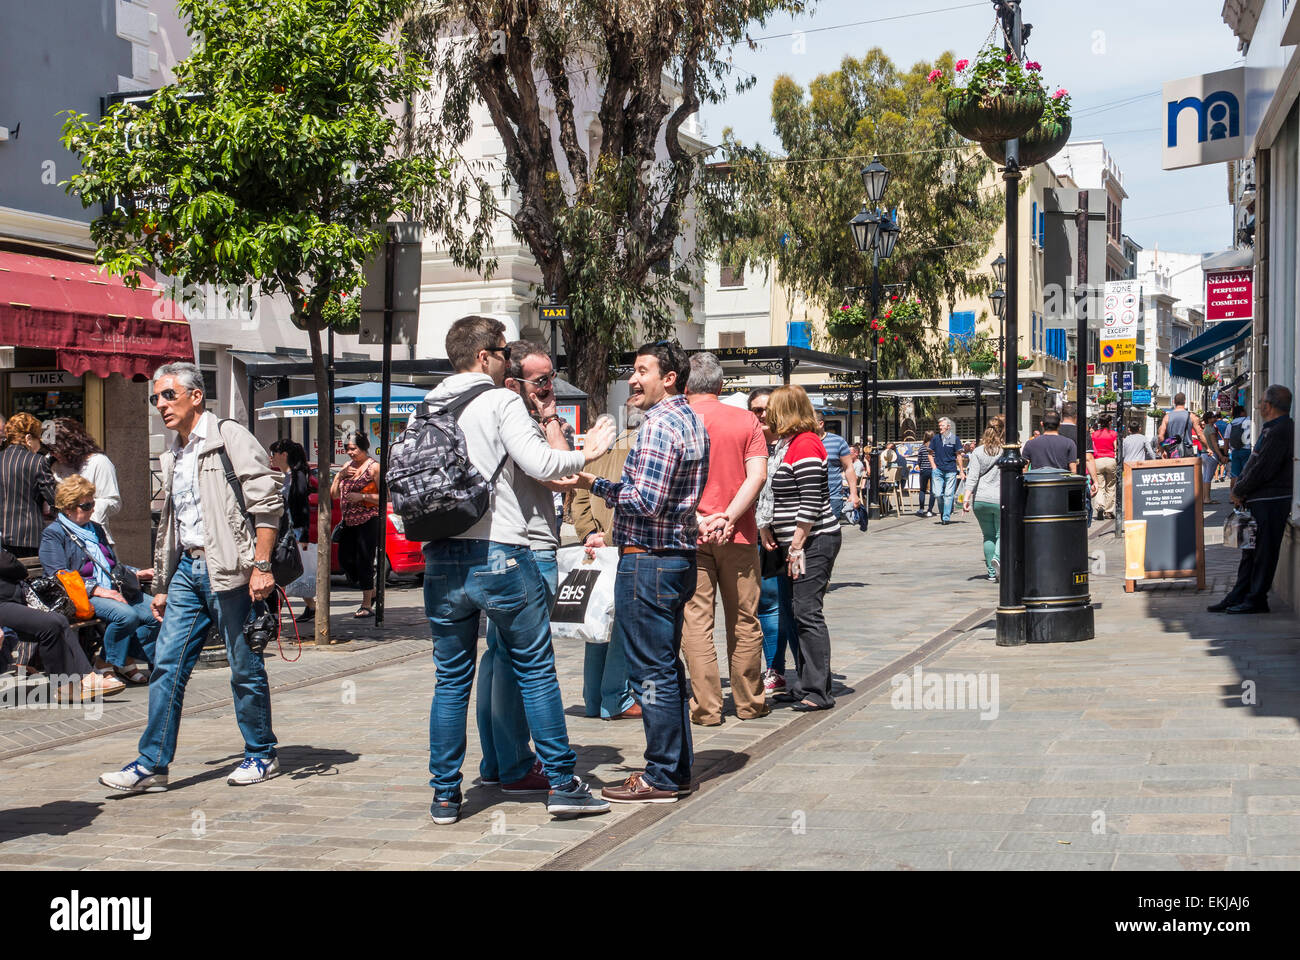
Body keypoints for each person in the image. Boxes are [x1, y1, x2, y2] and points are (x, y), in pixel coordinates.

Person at [422, 316, 616, 824]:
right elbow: (540, 462)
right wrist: (591, 448)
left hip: (442, 556)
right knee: (535, 670)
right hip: (501, 552)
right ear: (484, 357)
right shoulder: (498, 399)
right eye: (504, 353)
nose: (509, 362)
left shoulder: (431, 402)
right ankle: (562, 783)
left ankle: (445, 795)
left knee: (450, 681)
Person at [98, 361, 283, 793]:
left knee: (244, 666)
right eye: (155, 398)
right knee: (166, 666)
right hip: (186, 570)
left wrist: (262, 564)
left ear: (195, 396)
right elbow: (173, 525)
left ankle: (261, 754)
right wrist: (161, 586)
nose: (160, 404)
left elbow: (266, 502)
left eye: (168, 395)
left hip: (231, 570)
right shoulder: (174, 451)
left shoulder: (228, 436)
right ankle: (152, 765)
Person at [571, 339, 709, 804]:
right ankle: (676, 769)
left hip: (648, 559)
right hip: (673, 559)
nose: (633, 378)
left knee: (651, 672)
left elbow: (645, 500)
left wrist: (597, 484)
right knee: (665, 668)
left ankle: (662, 775)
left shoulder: (658, 424)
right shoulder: (690, 420)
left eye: (642, 370)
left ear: (669, 378)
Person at [473, 340, 579, 794]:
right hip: (530, 549)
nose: (548, 386)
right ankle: (515, 763)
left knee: (497, 658)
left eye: (551, 377)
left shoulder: (488, 415)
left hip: (499, 548)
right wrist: (552, 416)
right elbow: (561, 475)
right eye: (540, 380)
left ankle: (498, 760)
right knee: (522, 663)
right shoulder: (516, 420)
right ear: (514, 381)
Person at [681, 353, 768, 726]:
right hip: (740, 533)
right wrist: (729, 516)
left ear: (684, 385)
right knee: (745, 620)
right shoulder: (746, 420)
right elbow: (757, 476)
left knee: (696, 621)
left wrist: (701, 518)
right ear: (720, 386)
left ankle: (706, 708)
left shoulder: (675, 421)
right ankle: (749, 703)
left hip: (690, 532)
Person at [762, 385, 840, 712]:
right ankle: (808, 682)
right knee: (798, 611)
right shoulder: (787, 444)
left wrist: (795, 543)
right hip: (797, 542)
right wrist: (768, 526)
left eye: (771, 409)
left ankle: (818, 690)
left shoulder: (805, 443)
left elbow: (810, 501)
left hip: (813, 540)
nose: (766, 415)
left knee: (807, 612)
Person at [40, 475, 157, 685]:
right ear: (68, 507)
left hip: (113, 588)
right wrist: (99, 591)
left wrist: (136, 573)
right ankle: (103, 665)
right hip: (82, 595)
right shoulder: (54, 534)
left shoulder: (95, 528)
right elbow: (58, 576)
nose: (92, 509)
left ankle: (122, 659)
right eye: (86, 505)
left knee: (157, 612)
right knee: (126, 616)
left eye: (92, 503)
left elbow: (111, 564)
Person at [570, 401, 639, 722]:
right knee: (622, 624)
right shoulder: (637, 446)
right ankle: (616, 698)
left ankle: (593, 698)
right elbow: (633, 500)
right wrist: (607, 536)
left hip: (596, 544)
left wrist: (588, 533)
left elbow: (579, 496)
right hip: (622, 545)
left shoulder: (599, 448)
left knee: (597, 622)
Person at [1208, 385, 1294, 615]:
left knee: (1263, 552)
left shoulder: (1280, 430)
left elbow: (1264, 468)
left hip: (1271, 499)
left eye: (1261, 401)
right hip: (1260, 499)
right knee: (1250, 550)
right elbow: (1255, 463)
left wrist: (1240, 489)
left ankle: (1256, 598)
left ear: (1268, 405)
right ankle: (1239, 594)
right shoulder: (1271, 428)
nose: (1257, 406)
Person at [0, 546, 125, 701]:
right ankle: (80, 681)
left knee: (57, 621)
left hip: (14, 600)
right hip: (4, 604)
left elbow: (14, 567)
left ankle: (67, 687)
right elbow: (11, 564)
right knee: (51, 623)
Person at [750, 387, 798, 697]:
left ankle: (792, 670)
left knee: (790, 606)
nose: (762, 414)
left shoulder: (789, 445)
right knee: (767, 602)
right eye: (756, 410)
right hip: (754, 532)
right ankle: (775, 669)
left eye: (767, 408)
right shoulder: (750, 444)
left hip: (785, 534)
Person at [329, 432, 381, 618]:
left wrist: (362, 496)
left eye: (353, 449)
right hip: (348, 521)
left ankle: (367, 603)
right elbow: (334, 495)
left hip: (368, 519)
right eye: (347, 449)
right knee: (345, 560)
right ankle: (373, 591)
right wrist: (339, 476)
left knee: (364, 561)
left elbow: (386, 496)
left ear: (363, 448)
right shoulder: (346, 467)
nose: (350, 452)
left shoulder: (374, 467)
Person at [49, 418, 121, 541]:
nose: (53, 454)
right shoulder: (54, 465)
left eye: (56, 449)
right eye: (50, 450)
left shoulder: (99, 462)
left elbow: (114, 502)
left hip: (92, 536)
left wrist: (85, 508)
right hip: (62, 536)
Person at [268, 439, 316, 623]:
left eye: (273, 454)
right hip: (286, 530)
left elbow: (301, 506)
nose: (271, 458)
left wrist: (303, 535)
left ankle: (275, 614)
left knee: (283, 570)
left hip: (293, 531)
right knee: (286, 571)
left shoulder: (297, 476)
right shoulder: (286, 476)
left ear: (284, 455)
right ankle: (309, 606)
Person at [0, 412, 58, 557]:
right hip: (28, 536)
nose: (40, 444)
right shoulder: (37, 461)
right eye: (39, 438)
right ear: (28, 438)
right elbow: (55, 498)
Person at [962, 417, 1004, 582]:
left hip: (980, 499)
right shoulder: (1006, 451)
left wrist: (965, 499)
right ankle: (998, 558)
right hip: (1000, 498)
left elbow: (972, 478)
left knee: (988, 536)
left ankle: (991, 573)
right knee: (1002, 534)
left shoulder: (977, 452)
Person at [815, 411, 859, 524]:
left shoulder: (838, 442)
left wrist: (853, 494)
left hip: (832, 497)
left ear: (821, 424)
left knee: (829, 535)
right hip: (809, 497)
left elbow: (849, 468)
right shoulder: (803, 442)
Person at [1058, 402, 1099, 518]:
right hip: (1075, 478)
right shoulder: (1082, 433)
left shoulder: (1054, 431)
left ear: (1062, 415)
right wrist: (1095, 481)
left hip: (1055, 478)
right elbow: (1088, 458)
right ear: (1076, 416)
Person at [928, 417, 965, 524]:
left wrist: (961, 471)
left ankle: (945, 517)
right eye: (939, 425)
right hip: (938, 470)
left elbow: (958, 456)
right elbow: (930, 454)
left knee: (949, 495)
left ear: (948, 427)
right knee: (937, 494)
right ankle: (943, 512)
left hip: (951, 470)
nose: (940, 427)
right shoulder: (935, 438)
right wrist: (934, 466)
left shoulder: (954, 438)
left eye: (942, 425)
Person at [1090, 414, 1119, 520]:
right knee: (1110, 487)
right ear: (1110, 422)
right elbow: (1116, 448)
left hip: (1097, 461)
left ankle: (1100, 506)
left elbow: (1092, 448)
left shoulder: (1094, 434)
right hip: (1110, 460)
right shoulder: (1113, 434)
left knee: (1100, 485)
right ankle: (1109, 511)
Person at [1227, 403, 1253, 497]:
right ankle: (1245, 495)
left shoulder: (1231, 424)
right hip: (1247, 450)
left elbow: (1227, 439)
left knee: (1235, 475)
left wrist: (1225, 454)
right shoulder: (1249, 420)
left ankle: (1233, 496)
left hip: (1235, 451)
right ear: (1242, 412)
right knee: (1247, 473)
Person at [914, 429, 936, 517]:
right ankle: (930, 510)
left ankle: (921, 508)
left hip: (923, 470)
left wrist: (920, 465)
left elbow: (919, 459)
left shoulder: (922, 447)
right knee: (932, 491)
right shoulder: (935, 447)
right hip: (933, 469)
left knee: (922, 490)